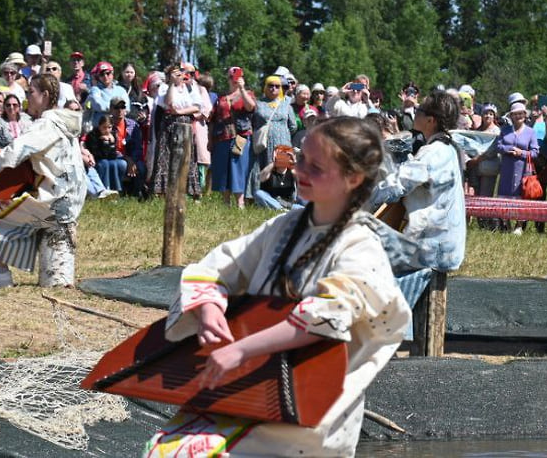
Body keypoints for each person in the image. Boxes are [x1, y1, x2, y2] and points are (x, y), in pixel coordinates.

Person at [142, 116, 409, 457]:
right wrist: (209, 310)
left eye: (316, 166)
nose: (300, 170)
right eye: (301, 159)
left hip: (308, 409)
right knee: (166, 450)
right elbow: (221, 266)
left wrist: (240, 350)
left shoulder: (359, 246)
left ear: (353, 178)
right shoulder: (283, 227)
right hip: (248, 386)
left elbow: (325, 317)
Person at [372, 91, 468, 317]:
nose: (415, 113)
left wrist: (362, 196)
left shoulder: (434, 152)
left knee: (368, 259)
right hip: (443, 243)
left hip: (432, 247)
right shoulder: (448, 147)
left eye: (420, 110)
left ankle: (387, 329)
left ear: (430, 120)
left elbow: (399, 184)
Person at [0, 74, 86, 287]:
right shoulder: (65, 123)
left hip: (52, 205)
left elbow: (11, 154)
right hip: (69, 203)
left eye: (31, 92)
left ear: (45, 95)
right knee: (1, 203)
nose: (27, 98)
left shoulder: (46, 125)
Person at [149, 64, 205, 198]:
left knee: (186, 157)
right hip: (168, 124)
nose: (180, 76)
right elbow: (168, 103)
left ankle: (188, 191)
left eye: (180, 73)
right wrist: (172, 85)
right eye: (175, 74)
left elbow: (197, 106)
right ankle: (162, 191)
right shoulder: (164, 88)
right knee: (165, 157)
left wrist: (181, 111)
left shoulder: (190, 87)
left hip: (185, 123)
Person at [210, 67, 257, 208]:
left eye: (238, 77)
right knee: (223, 171)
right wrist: (209, 140)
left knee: (239, 170)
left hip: (240, 138)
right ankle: (226, 203)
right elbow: (212, 119)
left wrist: (242, 90)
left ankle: (240, 203)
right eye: (232, 77)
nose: (235, 80)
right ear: (228, 78)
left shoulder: (247, 94)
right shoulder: (221, 97)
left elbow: (251, 108)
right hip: (221, 138)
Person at [496, 101, 538, 209]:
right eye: (515, 114)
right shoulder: (504, 130)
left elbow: (535, 152)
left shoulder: (531, 132)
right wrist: (509, 149)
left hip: (523, 171)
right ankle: (505, 222)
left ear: (525, 114)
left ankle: (519, 224)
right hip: (507, 170)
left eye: (520, 113)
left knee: (521, 197)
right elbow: (498, 146)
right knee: (505, 196)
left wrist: (521, 153)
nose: (518, 116)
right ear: (511, 116)